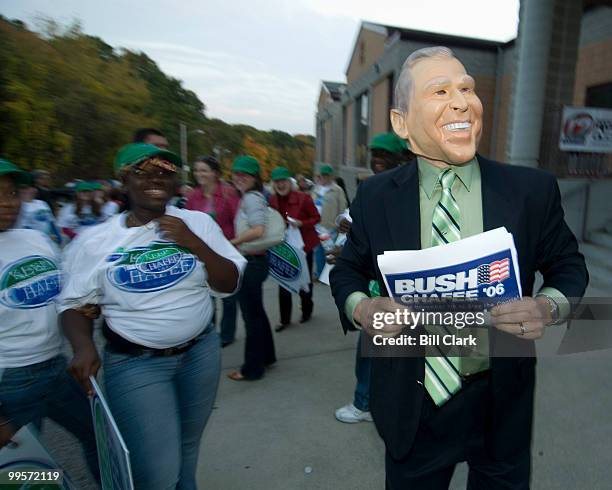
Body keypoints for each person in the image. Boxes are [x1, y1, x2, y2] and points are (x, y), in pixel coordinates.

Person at [330, 46, 588, 489]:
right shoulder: (375, 197)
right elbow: (346, 271)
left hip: (500, 399)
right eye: (441, 90)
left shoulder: (531, 190)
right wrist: (362, 309)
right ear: (401, 123)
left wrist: (548, 306)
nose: (461, 101)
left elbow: (569, 267)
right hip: (413, 400)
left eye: (467, 87)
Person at [59, 143, 246, 489]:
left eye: (165, 172)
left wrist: (195, 243)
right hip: (137, 365)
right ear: (124, 180)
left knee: (188, 449)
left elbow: (229, 282)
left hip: (200, 355)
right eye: (143, 172)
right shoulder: (96, 241)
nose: (156, 179)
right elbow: (76, 304)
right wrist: (83, 346)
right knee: (157, 473)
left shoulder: (196, 223)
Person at [0, 159, 99, 482]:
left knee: (102, 438)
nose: (8, 202)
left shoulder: (34, 239)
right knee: (28, 475)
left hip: (57, 368)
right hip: (9, 383)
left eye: (12, 192)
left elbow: (68, 296)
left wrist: (82, 343)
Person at [334, 132, 408, 424]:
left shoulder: (409, 190)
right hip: (375, 288)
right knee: (370, 348)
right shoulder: (371, 188)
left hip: (404, 287)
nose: (377, 160)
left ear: (401, 157)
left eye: (384, 155)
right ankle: (365, 402)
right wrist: (345, 228)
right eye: (374, 154)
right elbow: (353, 219)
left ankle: (370, 403)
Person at [228, 155, 276, 381]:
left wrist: (232, 243)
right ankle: (267, 356)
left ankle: (252, 368)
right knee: (257, 314)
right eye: (236, 173)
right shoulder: (253, 197)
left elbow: (258, 230)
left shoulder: (251, 199)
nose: (239, 177)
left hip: (253, 262)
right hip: (256, 261)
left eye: (244, 174)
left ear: (255, 178)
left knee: (251, 318)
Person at [186, 155, 241, 347]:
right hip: (201, 253)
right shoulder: (193, 196)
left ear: (215, 173)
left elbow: (238, 222)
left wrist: (235, 245)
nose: (199, 174)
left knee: (228, 297)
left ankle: (227, 334)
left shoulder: (228, 193)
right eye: (197, 170)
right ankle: (208, 332)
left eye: (204, 170)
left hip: (226, 251)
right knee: (205, 295)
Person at [269, 166, 320, 331]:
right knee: (283, 281)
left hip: (304, 246)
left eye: (283, 181)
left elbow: (316, 218)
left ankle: (306, 310)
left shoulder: (304, 198)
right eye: (277, 182)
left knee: (304, 281)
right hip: (283, 248)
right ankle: (284, 320)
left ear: (289, 183)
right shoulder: (272, 200)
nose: (280, 185)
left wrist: (301, 223)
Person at [16, 177, 62, 244]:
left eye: (31, 187)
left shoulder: (42, 203)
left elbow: (51, 221)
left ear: (35, 189)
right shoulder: (18, 206)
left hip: (49, 241)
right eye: (24, 188)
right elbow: (22, 228)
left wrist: (57, 235)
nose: (28, 191)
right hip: (32, 242)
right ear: (19, 190)